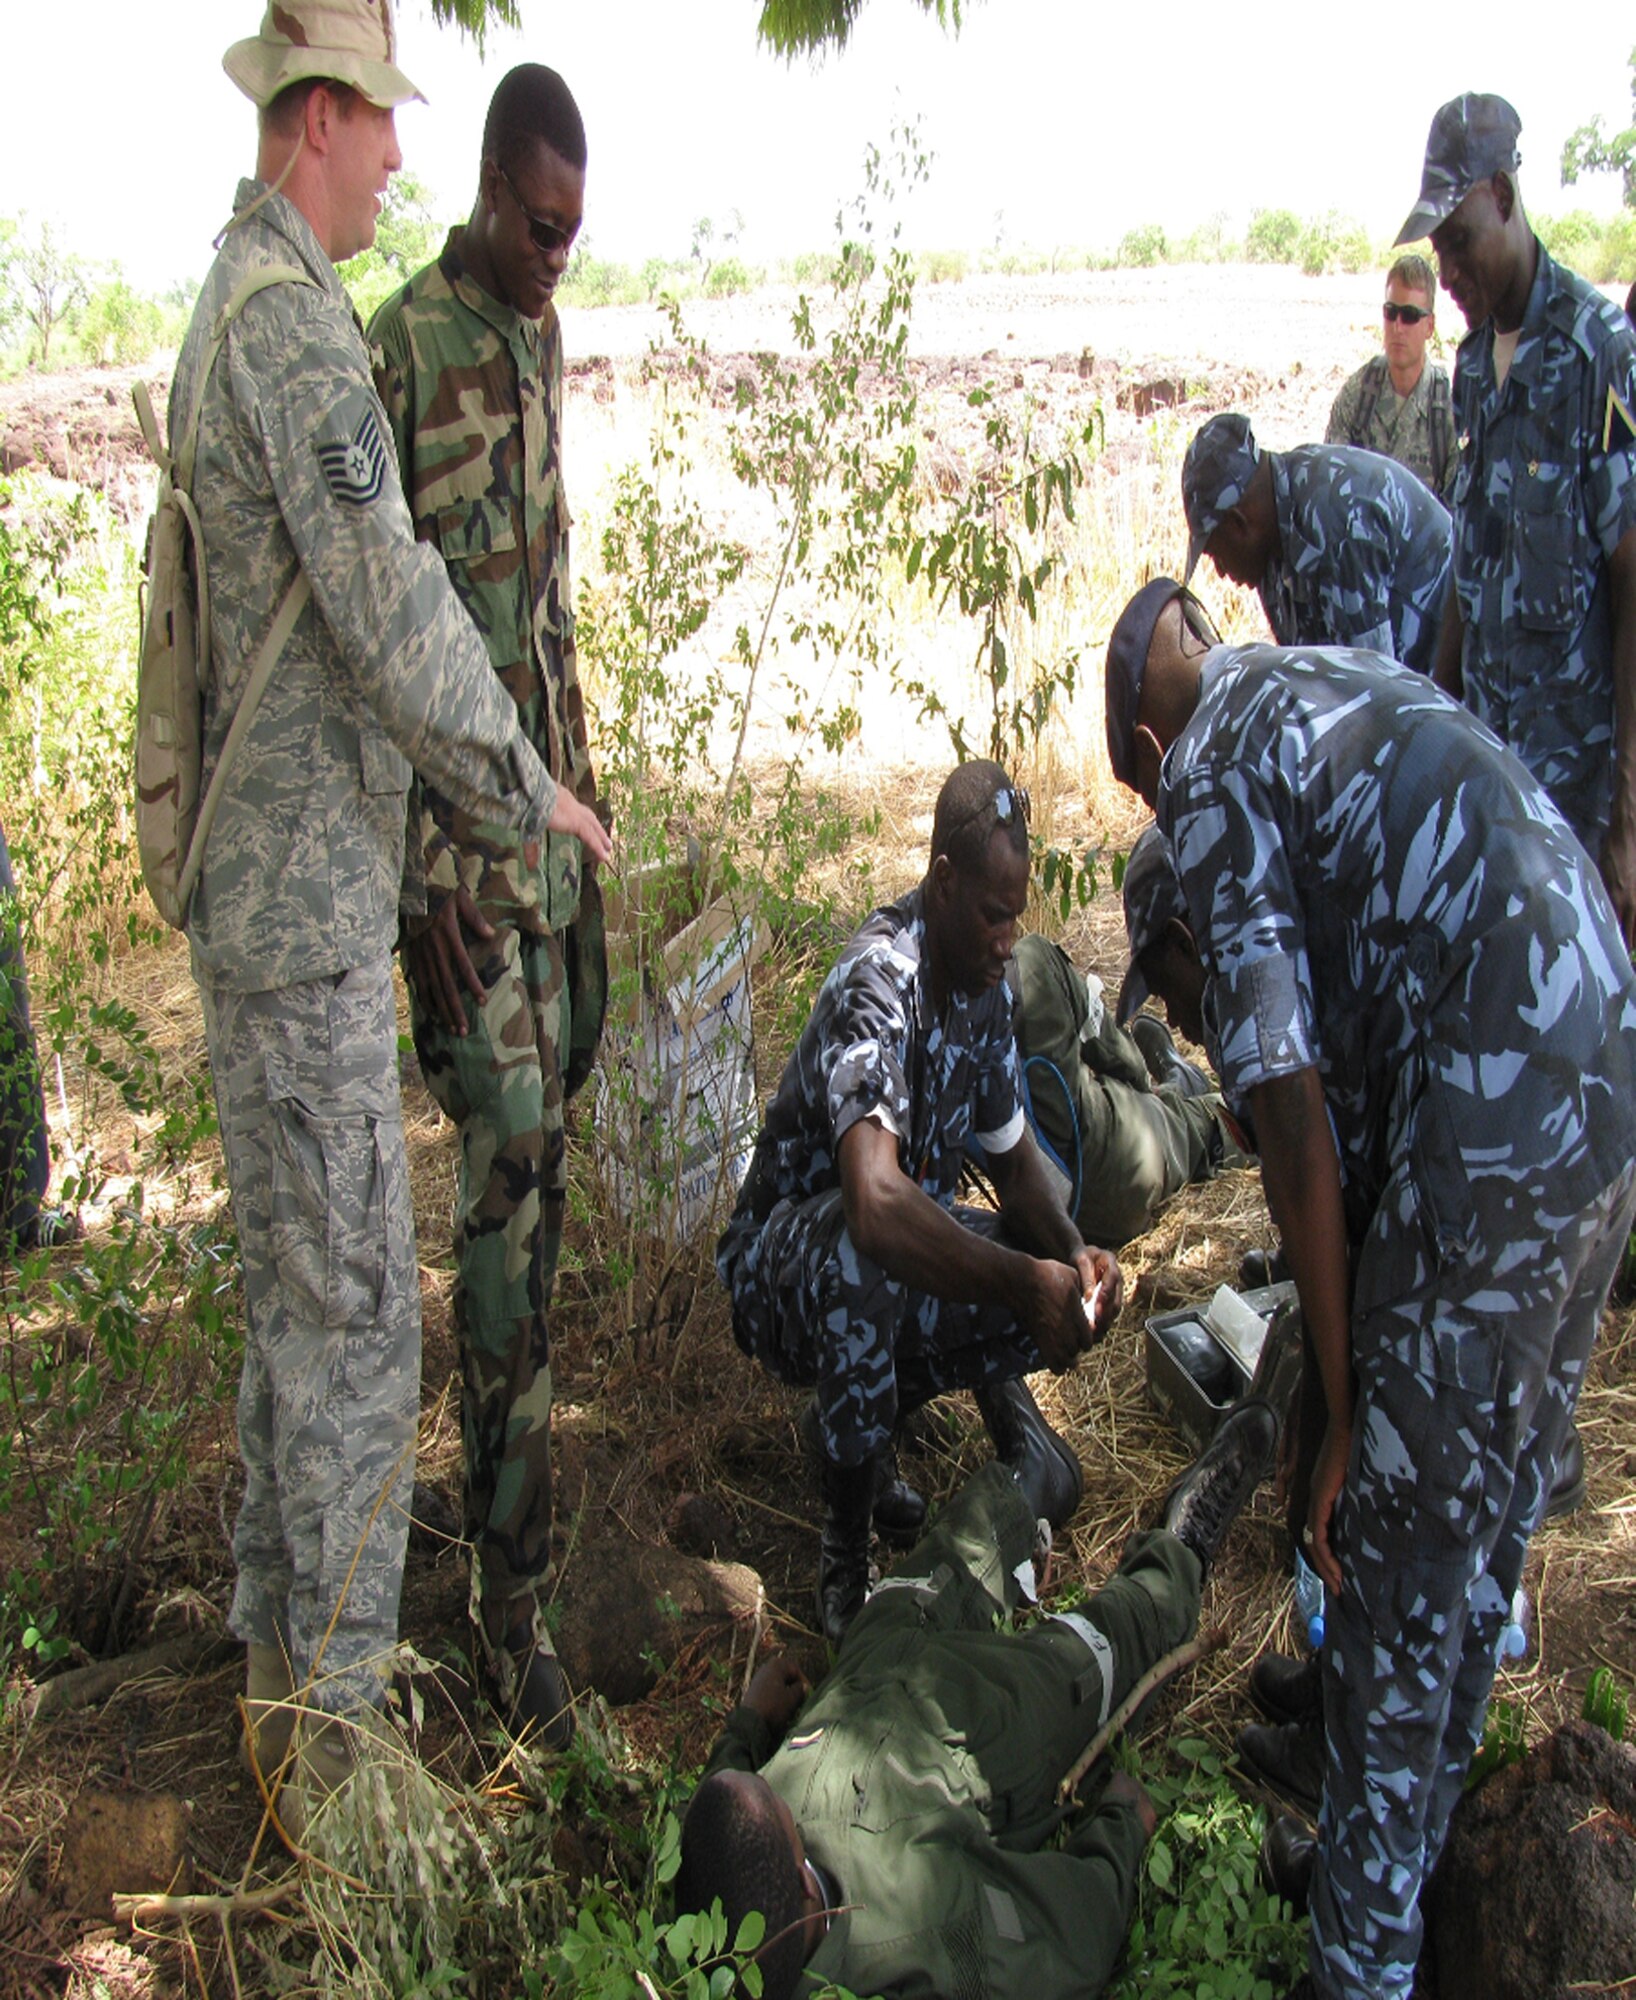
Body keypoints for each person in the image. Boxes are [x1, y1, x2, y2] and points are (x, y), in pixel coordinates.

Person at [179, 1, 611, 1824]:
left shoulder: (328, 317)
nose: (401, 161)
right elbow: (395, 618)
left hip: (354, 890)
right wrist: (507, 808)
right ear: (325, 119)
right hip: (354, 901)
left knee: (336, 1315)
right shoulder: (321, 338)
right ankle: (355, 1762)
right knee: (366, 1323)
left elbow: (524, 600)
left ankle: (300, 1698)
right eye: (387, 129)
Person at [1104, 576, 1636, 2000]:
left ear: (1185, 934)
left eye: (1172, 993)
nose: (1187, 1030)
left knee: (1396, 1564)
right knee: (1469, 1547)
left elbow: (1290, 1122)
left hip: (1504, 1094)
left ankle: (1358, 1969)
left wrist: (1343, 1412)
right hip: (1593, 1047)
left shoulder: (1205, 780)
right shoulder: (1311, 684)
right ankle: (1390, 1869)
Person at [369, 63, 600, 1751]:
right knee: (502, 1199)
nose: (554, 262)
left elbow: (541, 617)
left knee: (551, 1188)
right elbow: (354, 651)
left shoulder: (535, 339)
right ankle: (502, 1600)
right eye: (537, 228)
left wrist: (589, 813)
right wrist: (398, 891)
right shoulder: (400, 351)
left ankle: (515, 1501)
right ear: (486, 186)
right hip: (455, 890)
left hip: (554, 858)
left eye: (574, 238)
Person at [674, 1399, 1279, 2000]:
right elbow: (1070, 1939)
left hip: (874, 1665)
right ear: (806, 1894)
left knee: (970, 1529)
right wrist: (1119, 1828)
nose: (782, 1802)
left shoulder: (723, 1932)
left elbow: (723, 1836)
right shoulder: (923, 1935)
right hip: (984, 1726)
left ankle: (1035, 1481)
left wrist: (749, 1724)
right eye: (788, 1823)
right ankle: (1180, 1552)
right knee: (1107, 1643)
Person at [716, 761, 1123, 1644]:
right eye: (993, 913)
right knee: (878, 1253)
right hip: (777, 1273)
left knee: (1039, 1275)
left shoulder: (989, 991)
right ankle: (845, 1550)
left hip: (869, 1270)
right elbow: (872, 1204)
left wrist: (1073, 1257)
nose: (1010, 937)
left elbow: (1017, 1172)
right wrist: (1018, 1282)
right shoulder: (879, 983)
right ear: (942, 882)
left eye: (1018, 915)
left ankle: (866, 1427)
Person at [1399, 93, 1636, 942]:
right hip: (1496, 790)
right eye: (1437, 251)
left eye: (1458, 240)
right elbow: (1471, 568)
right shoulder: (1469, 373)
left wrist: (1626, 826)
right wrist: (1434, 732)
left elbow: (1630, 580)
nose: (1448, 270)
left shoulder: (1596, 349)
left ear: (1502, 194)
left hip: (1579, 796)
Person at [1008, 844, 1251, 1250]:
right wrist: (1135, 1072)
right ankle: (1184, 1094)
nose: (1171, 1015)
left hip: (1050, 1209)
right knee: (1182, 1126)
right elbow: (1098, 1029)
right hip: (1108, 1174)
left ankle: (1173, 1082)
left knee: (1137, 1104)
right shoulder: (1029, 964)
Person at [1181, 412, 1451, 677]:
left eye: (1216, 554)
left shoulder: (1337, 525)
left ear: (1240, 524)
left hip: (1461, 672)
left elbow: (1372, 693)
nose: (1220, 571)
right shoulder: (1271, 546)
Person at [1324, 254, 1456, 500]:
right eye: (1390, 312)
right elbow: (1331, 487)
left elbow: (1454, 517)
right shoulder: (1359, 394)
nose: (1397, 327)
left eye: (1409, 316)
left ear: (1430, 326)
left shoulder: (1447, 406)